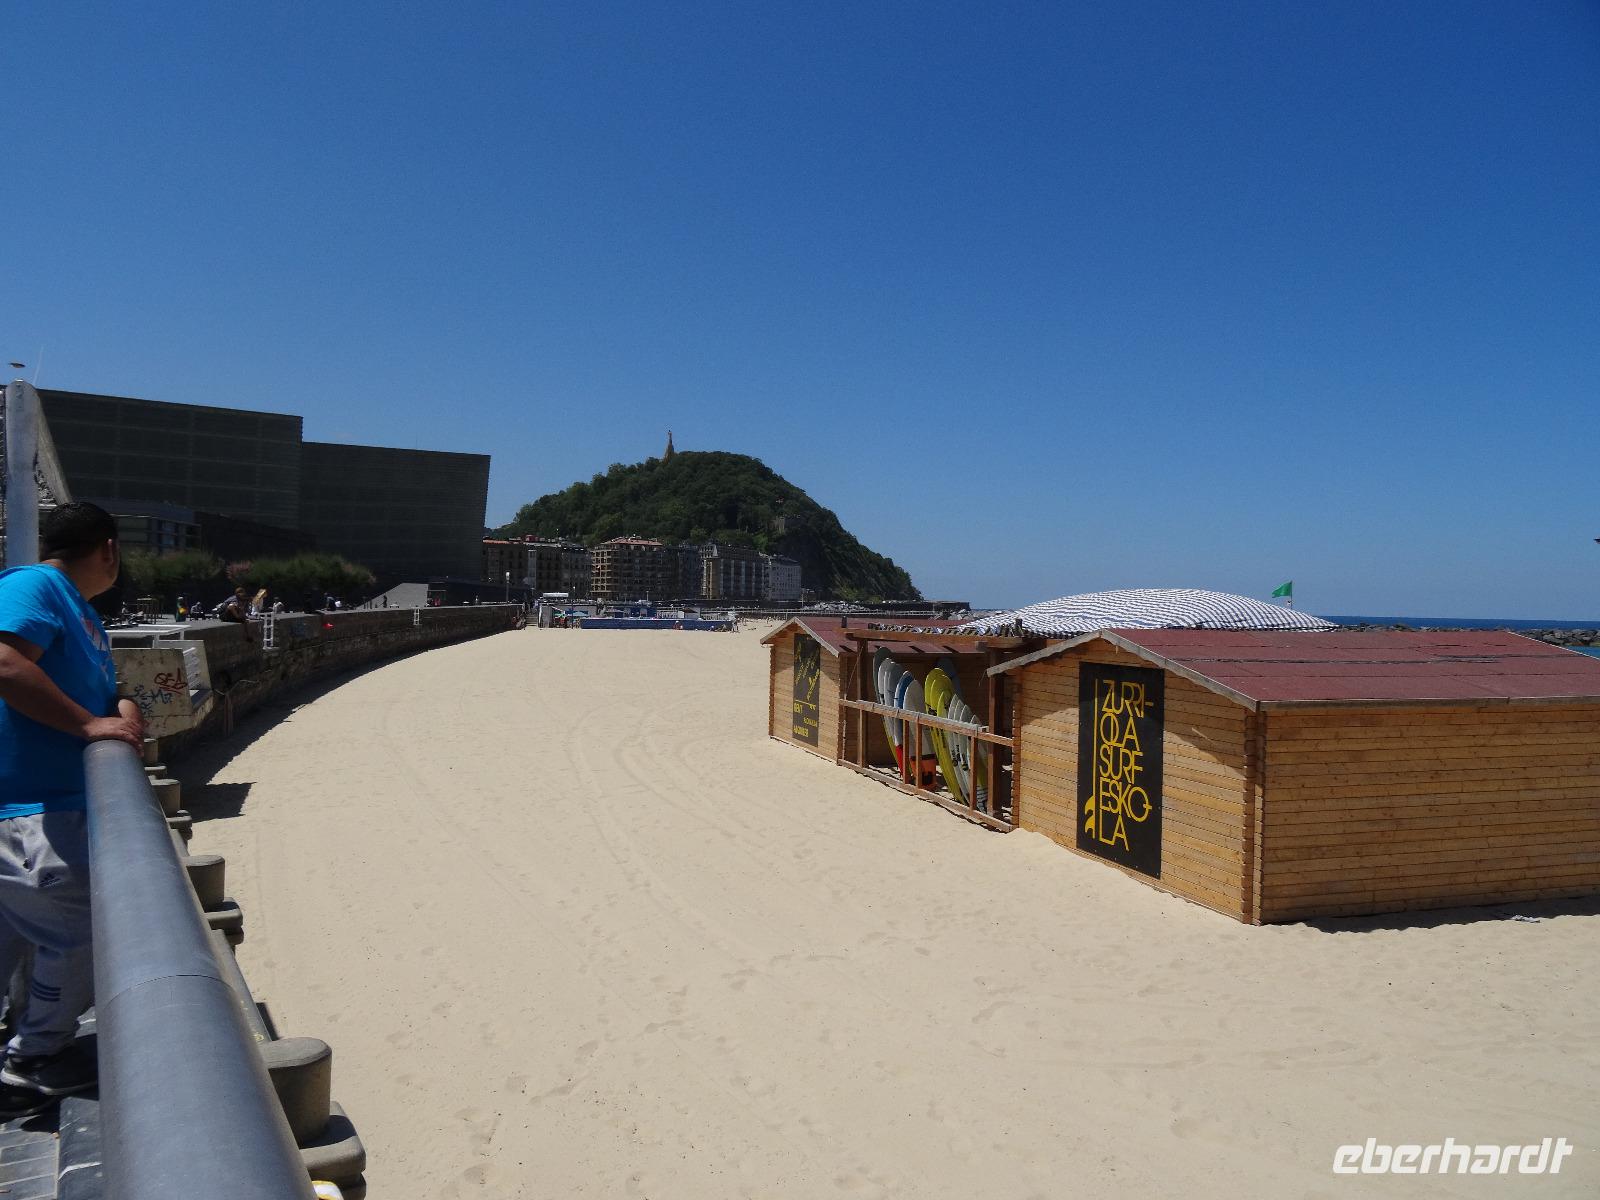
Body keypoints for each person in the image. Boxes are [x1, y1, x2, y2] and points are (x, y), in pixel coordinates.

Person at [0, 502, 144, 1113]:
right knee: (85, 931)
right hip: (33, 811)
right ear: (107, 549)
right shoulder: (35, 585)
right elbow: (4, 661)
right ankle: (35, 1060)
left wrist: (120, 712)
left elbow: (109, 700)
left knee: (19, 938)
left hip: (45, 808)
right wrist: (90, 725)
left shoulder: (82, 614)